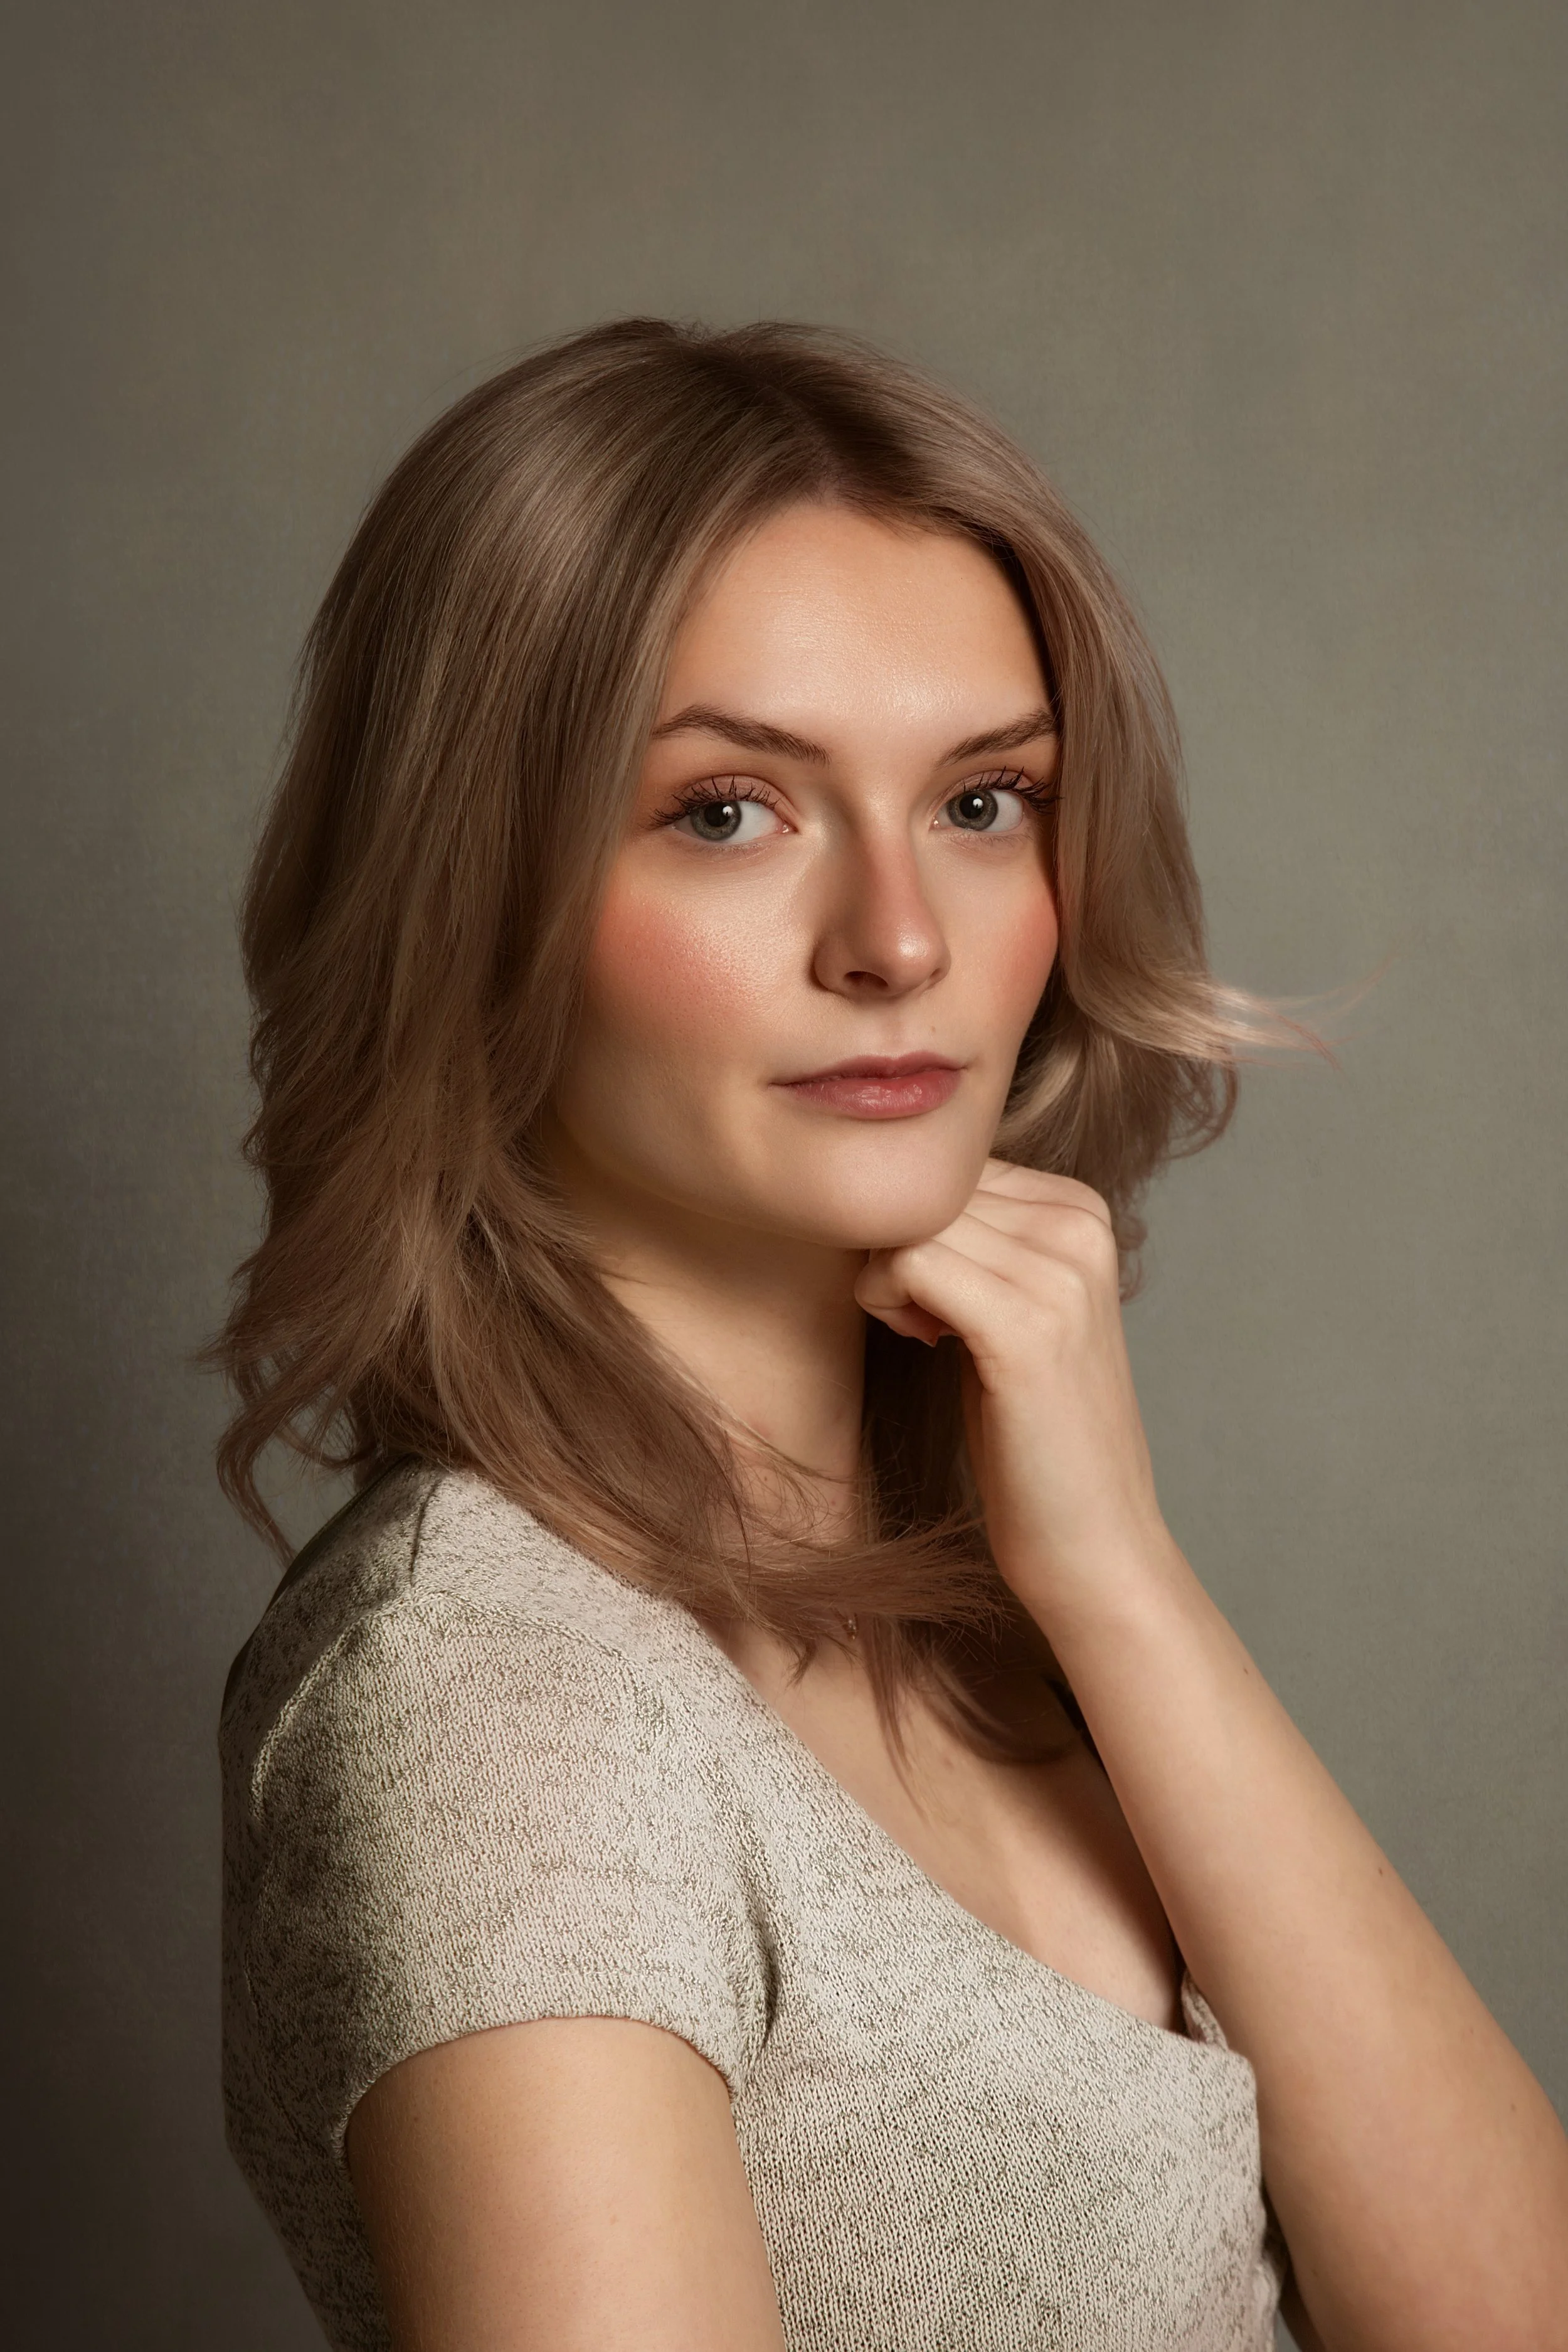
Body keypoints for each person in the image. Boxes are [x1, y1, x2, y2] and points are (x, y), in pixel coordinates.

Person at [214, 317, 1568, 2352]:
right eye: (726, 811)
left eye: (982, 800)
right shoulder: (492, 1697)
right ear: (471, 887)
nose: (900, 939)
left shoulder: (1001, 1591)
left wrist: (1118, 1581)